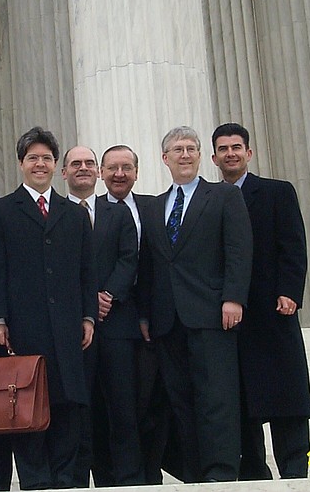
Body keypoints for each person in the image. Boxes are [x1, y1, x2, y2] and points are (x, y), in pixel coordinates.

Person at [0, 127, 97, 489]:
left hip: (66, 337)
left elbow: (86, 271)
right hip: (22, 334)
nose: (40, 164)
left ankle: (62, 484)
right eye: (33, 158)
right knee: (27, 420)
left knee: (65, 417)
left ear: (56, 165)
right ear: (21, 164)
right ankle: (35, 485)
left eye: (46, 158)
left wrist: (88, 316)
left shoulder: (73, 215)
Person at [137, 126, 252, 482]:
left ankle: (221, 470)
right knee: (180, 400)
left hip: (211, 314)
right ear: (164, 158)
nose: (185, 155)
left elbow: (238, 249)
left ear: (201, 156)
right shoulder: (155, 207)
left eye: (191, 149)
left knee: (216, 397)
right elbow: (150, 265)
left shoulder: (223, 196)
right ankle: (194, 472)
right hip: (167, 321)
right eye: (177, 150)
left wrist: (233, 298)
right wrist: (145, 314)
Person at [211, 122, 310, 479]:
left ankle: (295, 471)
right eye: (223, 149)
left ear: (249, 153)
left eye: (236, 147)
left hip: (273, 313)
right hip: (231, 318)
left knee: (287, 397)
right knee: (242, 403)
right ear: (214, 157)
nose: (231, 153)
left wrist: (290, 292)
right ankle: (254, 475)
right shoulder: (207, 200)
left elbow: (293, 246)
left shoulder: (276, 192)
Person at [61, 146, 143, 486]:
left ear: (98, 172)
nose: (83, 168)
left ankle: (126, 479)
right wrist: (84, 303)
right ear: (63, 172)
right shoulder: (56, 212)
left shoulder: (118, 212)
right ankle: (79, 478)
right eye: (75, 163)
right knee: (80, 409)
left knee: (122, 407)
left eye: (88, 163)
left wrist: (106, 296)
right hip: (72, 329)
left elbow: (129, 258)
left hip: (116, 326)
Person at [99, 145, 170, 485]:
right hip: (112, 322)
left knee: (152, 404)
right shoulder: (91, 210)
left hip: (155, 321)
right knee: (120, 405)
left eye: (126, 167)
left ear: (137, 172)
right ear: (101, 173)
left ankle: (151, 471)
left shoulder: (154, 208)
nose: (119, 174)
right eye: (112, 167)